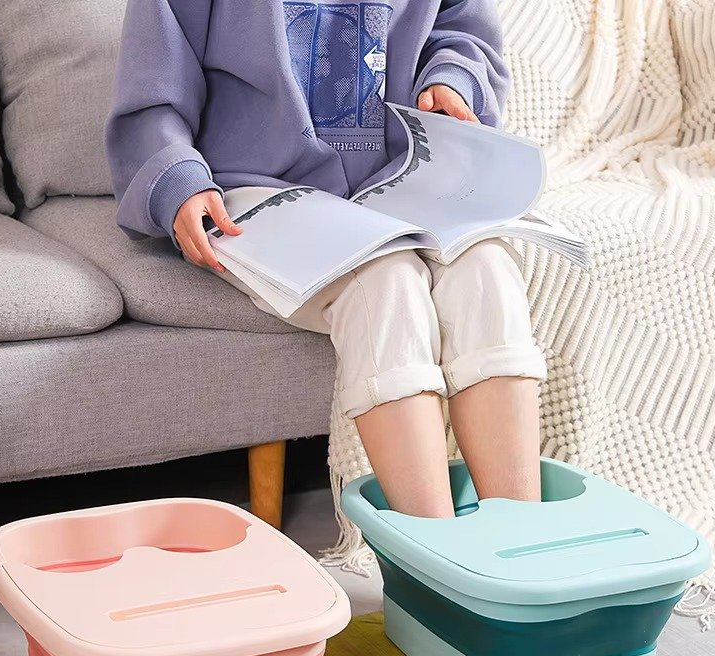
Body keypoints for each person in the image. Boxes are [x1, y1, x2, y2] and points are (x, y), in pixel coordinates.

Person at [105, 0, 547, 517]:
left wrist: (453, 80)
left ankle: (520, 541)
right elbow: (153, 89)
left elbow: (461, 29)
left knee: (487, 268)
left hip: (397, 182)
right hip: (254, 190)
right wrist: (178, 179)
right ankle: (433, 551)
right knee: (384, 281)